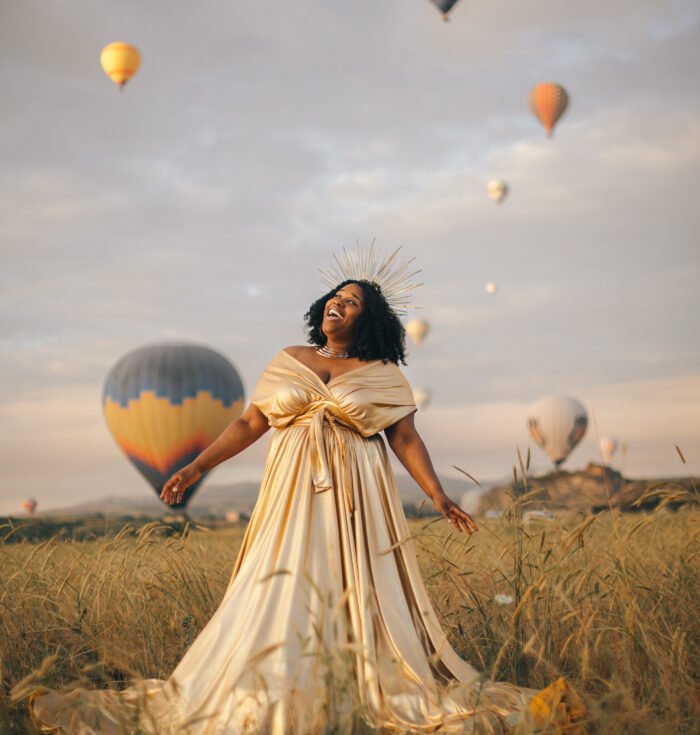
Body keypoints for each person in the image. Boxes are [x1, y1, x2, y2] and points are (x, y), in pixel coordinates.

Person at [31, 247, 577, 734]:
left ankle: (356, 677)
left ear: (370, 322)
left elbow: (406, 438)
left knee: (352, 581)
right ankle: (275, 672)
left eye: (353, 303)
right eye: (335, 298)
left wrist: (438, 495)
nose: (338, 305)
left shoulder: (384, 373)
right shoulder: (289, 358)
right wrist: (195, 468)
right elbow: (249, 424)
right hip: (290, 493)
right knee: (281, 578)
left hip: (356, 496)